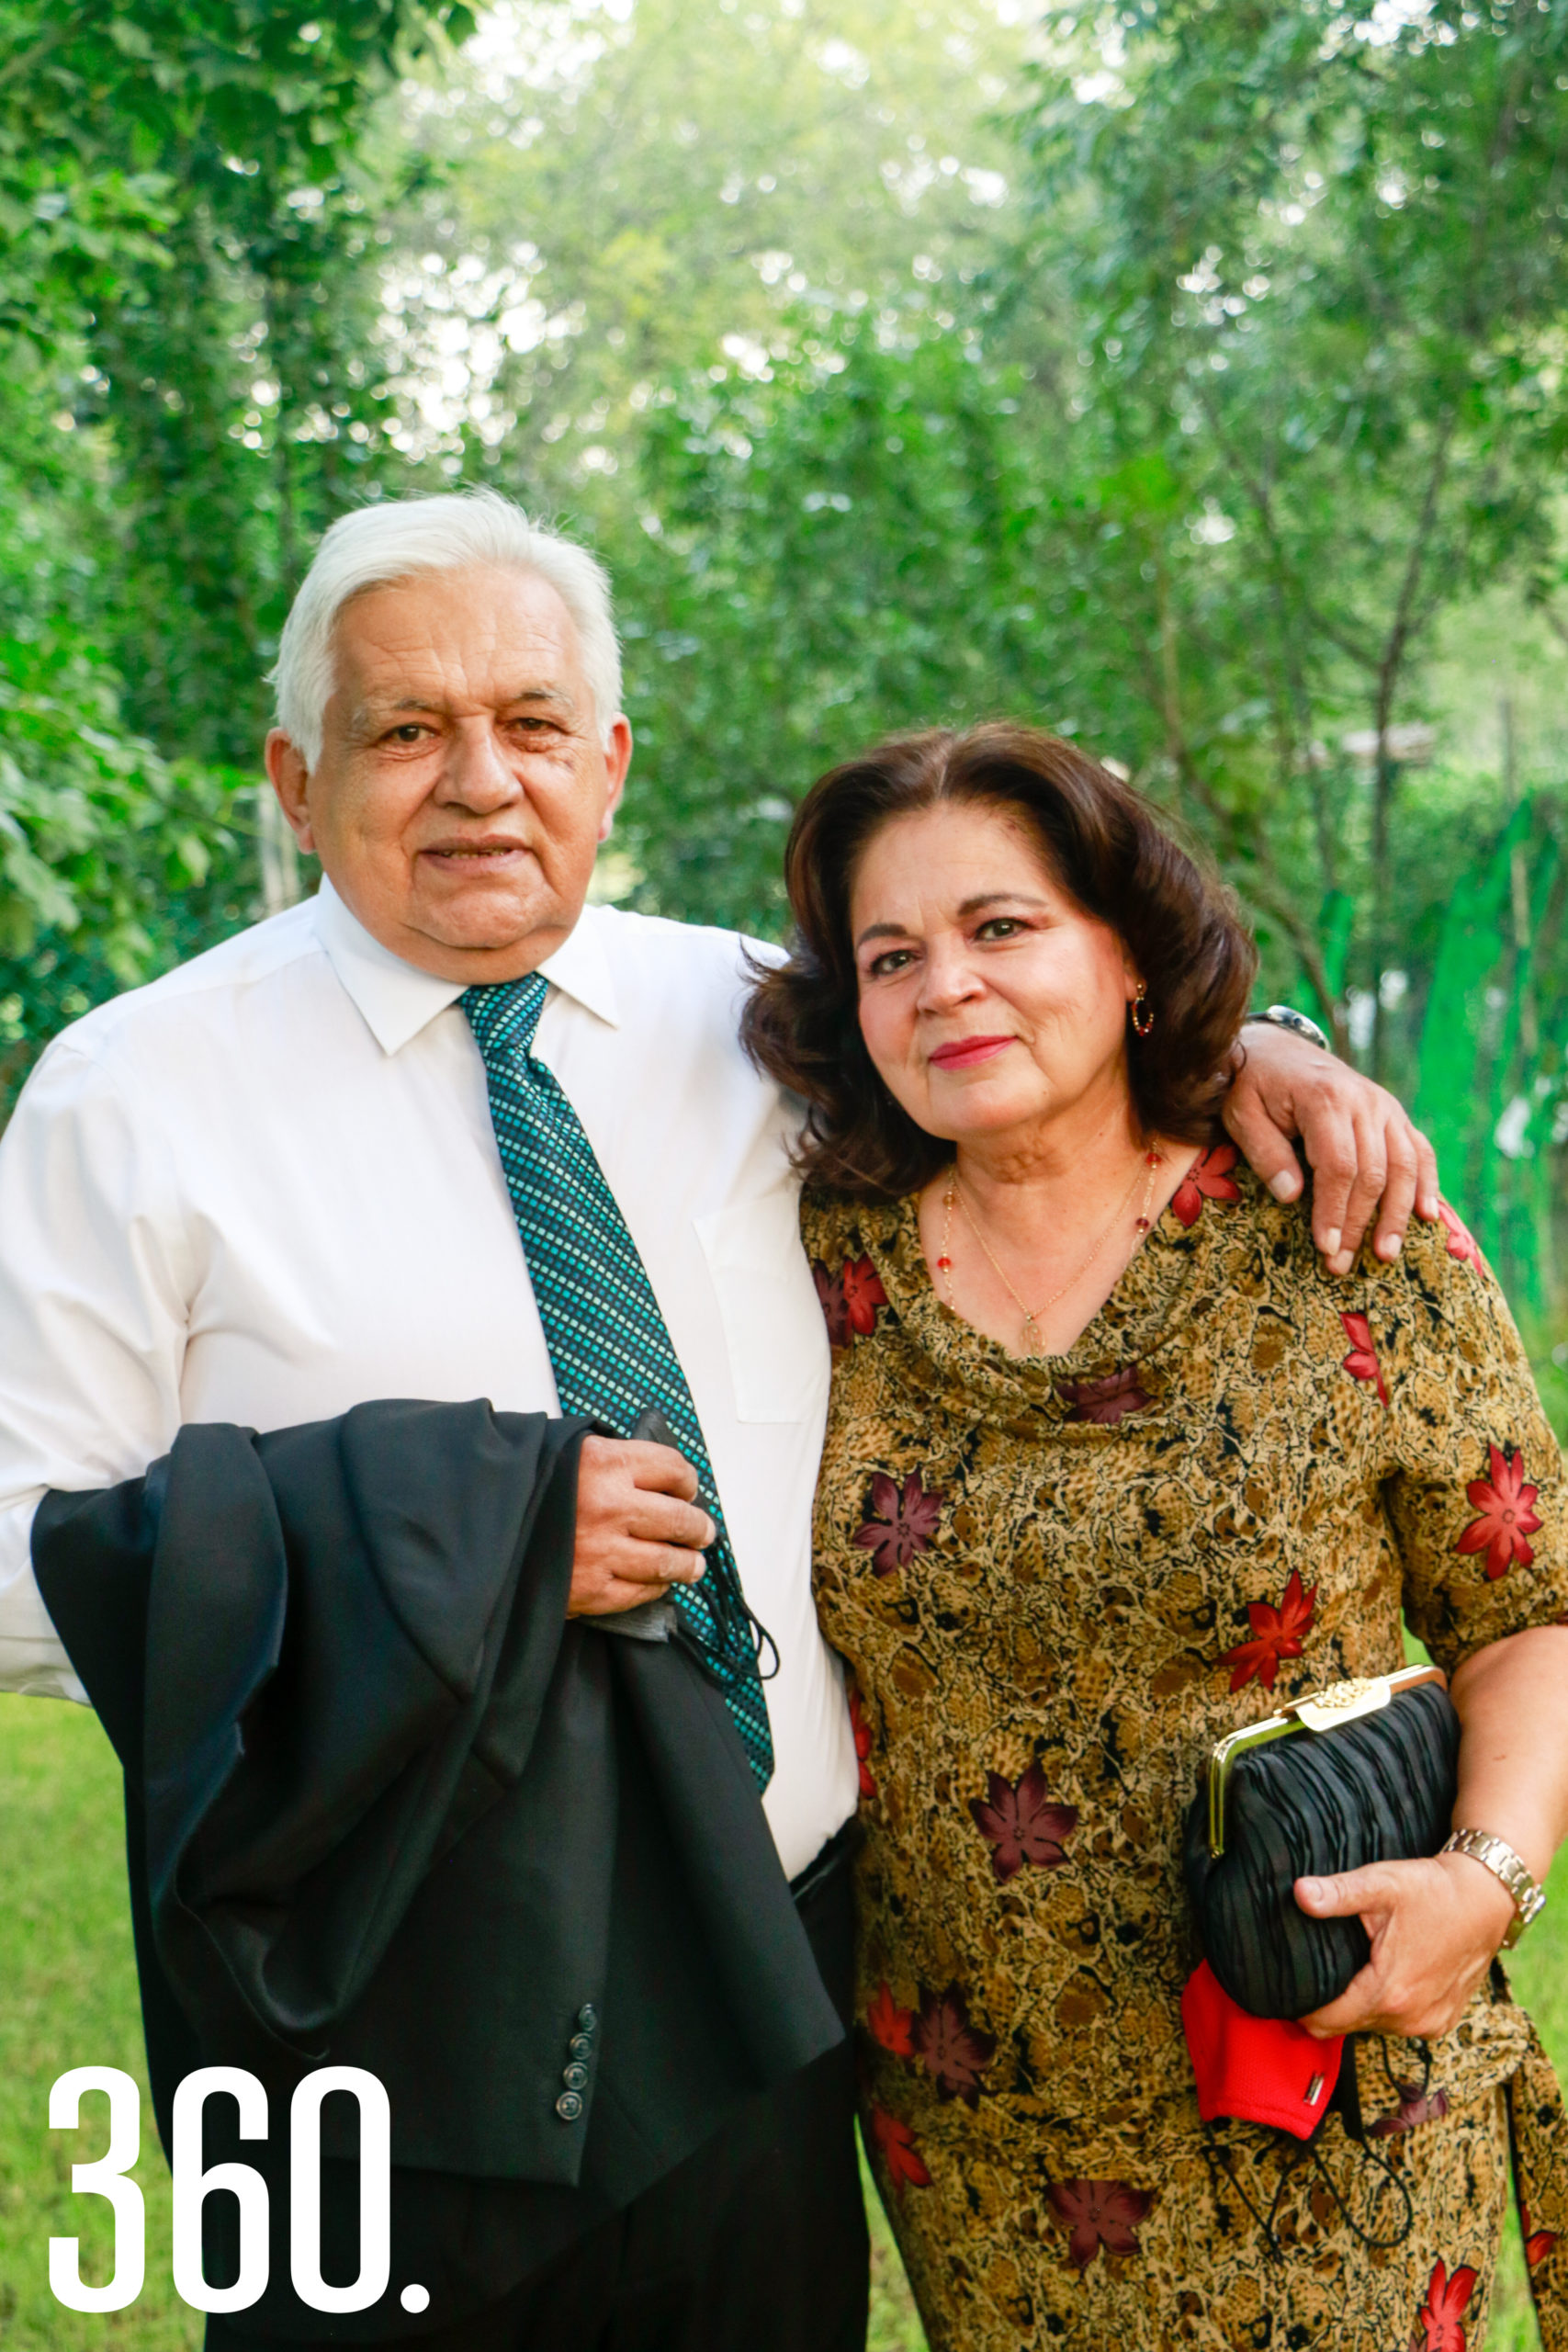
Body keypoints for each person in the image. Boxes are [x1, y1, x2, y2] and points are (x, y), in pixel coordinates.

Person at [0, 493, 1434, 2351]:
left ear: (610, 760)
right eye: (404, 728)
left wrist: (1261, 1047)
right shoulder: (133, 1094)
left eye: (528, 722)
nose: (476, 780)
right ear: (296, 774)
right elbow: (23, 1575)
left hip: (769, 1976)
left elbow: (1044, 1041)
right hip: (362, 1996)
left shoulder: (781, 1023)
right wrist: (473, 1542)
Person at [743, 721, 1568, 2352]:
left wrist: (1490, 1881)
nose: (947, 989)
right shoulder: (806, 1263)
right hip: (975, 2114)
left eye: (1002, 928)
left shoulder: (1342, 1226)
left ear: (1129, 954)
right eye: (891, 954)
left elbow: (1529, 1608)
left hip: (1325, 2059)